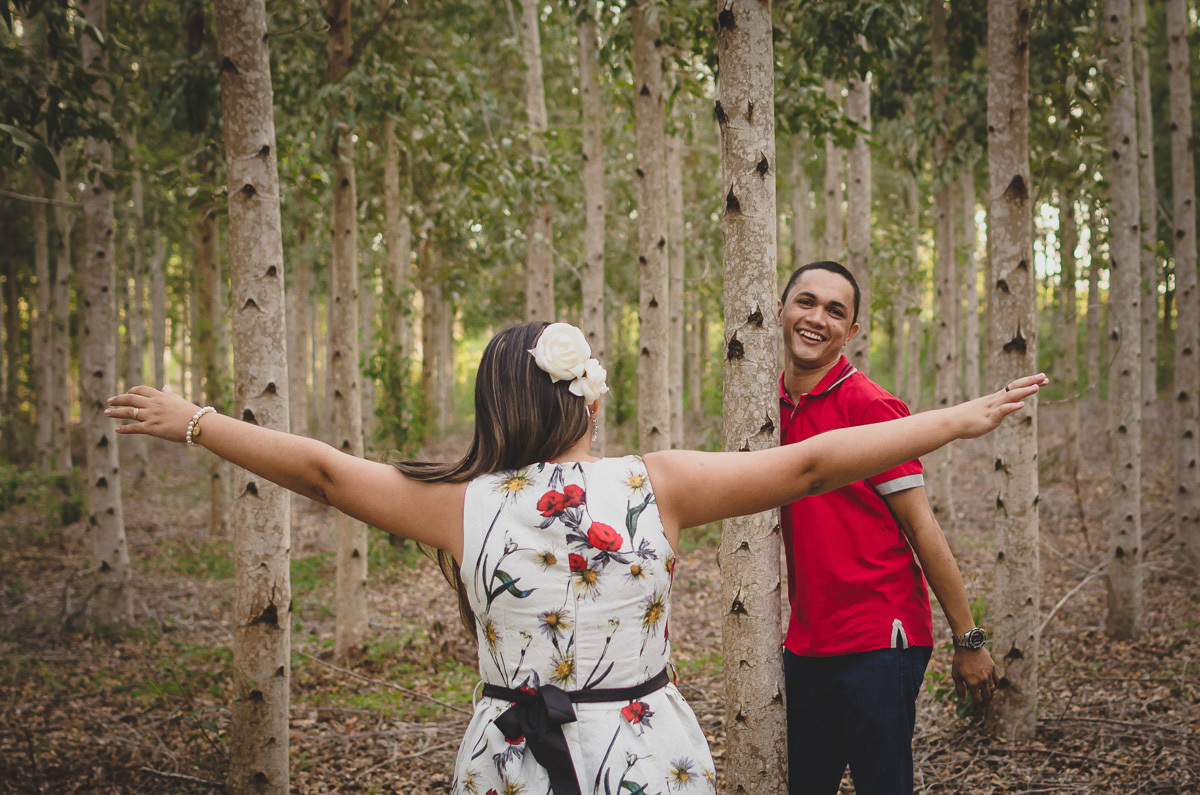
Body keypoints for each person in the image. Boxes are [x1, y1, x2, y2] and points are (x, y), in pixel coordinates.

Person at [107, 320, 1043, 795]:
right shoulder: (658, 483)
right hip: (643, 750)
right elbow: (812, 464)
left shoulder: (461, 503)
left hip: (511, 755)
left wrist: (196, 421)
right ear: (589, 398)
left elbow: (320, 470)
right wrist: (957, 419)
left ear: (496, 406)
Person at [777, 261, 1006, 795]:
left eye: (835, 311)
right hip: (805, 642)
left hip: (879, 638)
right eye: (806, 302)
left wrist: (968, 639)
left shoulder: (870, 406)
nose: (817, 318)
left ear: (851, 331)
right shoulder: (766, 407)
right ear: (780, 310)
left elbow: (922, 527)